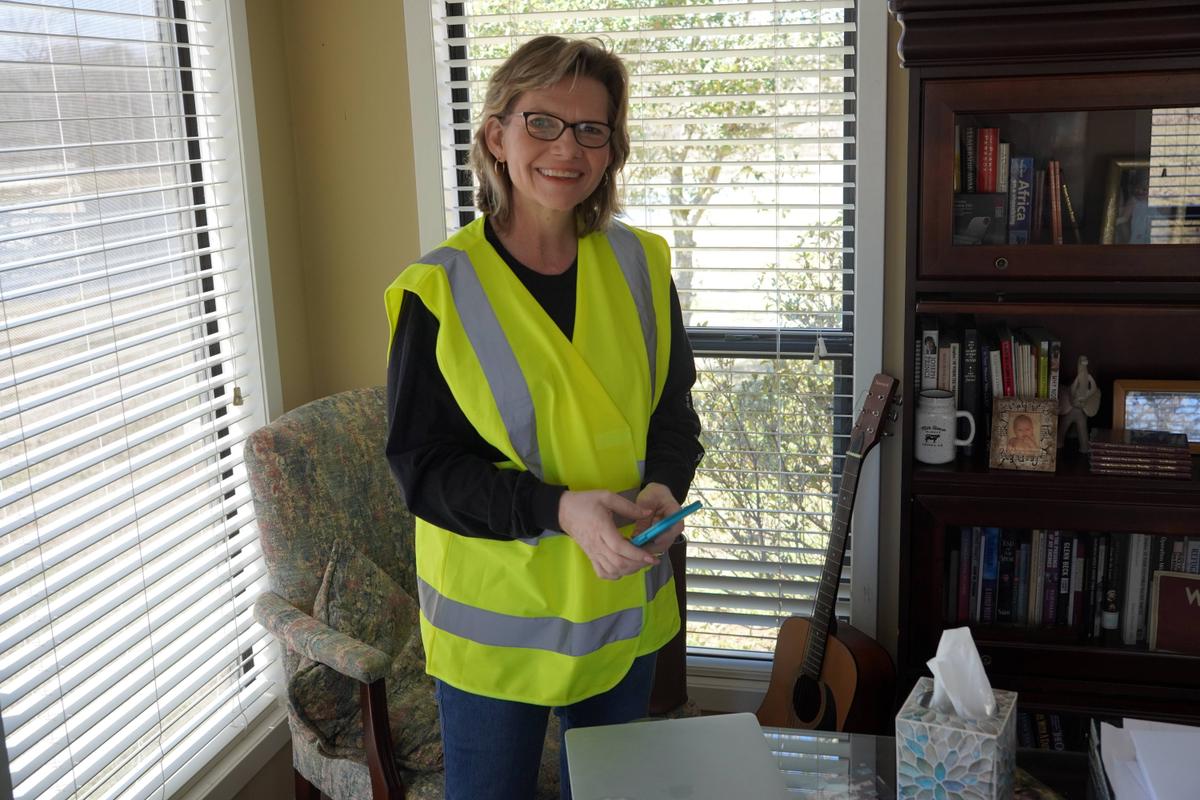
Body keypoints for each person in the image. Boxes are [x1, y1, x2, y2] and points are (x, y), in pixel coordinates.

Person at [383, 36, 704, 800]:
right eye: (542, 122)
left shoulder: (642, 265)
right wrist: (558, 510)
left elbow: (673, 414)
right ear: (496, 135)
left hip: (620, 611)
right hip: (500, 633)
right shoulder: (440, 290)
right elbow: (423, 472)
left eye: (592, 129)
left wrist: (664, 486)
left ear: (612, 148)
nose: (569, 148)